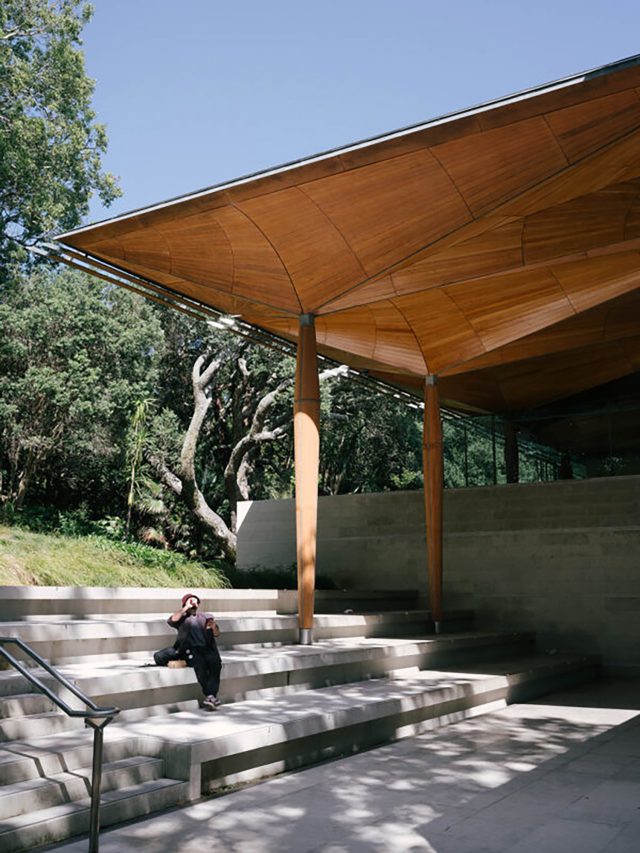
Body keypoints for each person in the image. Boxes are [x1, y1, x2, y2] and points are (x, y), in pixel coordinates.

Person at [154, 593, 222, 710]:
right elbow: (171, 620)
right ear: (185, 604)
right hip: (187, 650)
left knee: (215, 664)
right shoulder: (182, 619)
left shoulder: (206, 617)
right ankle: (210, 696)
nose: (193, 604)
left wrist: (214, 627)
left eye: (195, 601)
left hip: (207, 650)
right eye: (190, 601)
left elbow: (217, 634)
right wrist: (186, 608)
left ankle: (210, 696)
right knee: (159, 657)